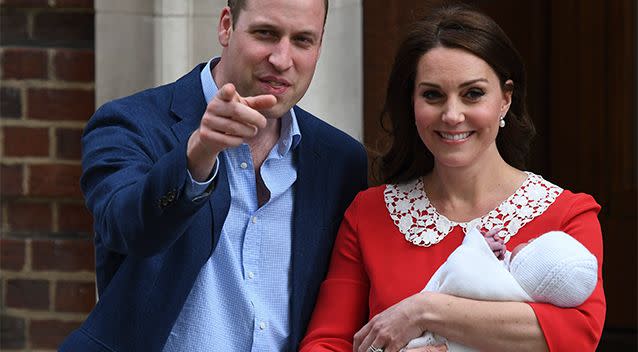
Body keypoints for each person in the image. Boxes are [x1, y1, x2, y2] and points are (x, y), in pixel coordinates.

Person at [60, 0, 368, 351]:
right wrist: (198, 155)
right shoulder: (130, 124)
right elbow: (127, 227)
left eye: (302, 40)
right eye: (266, 33)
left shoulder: (341, 161)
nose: (282, 59)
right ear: (226, 26)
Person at [300, 4, 605, 352]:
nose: (452, 114)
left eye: (473, 93)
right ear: (412, 102)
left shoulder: (568, 214)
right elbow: (324, 344)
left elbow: (579, 335)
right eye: (432, 95)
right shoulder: (369, 213)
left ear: (505, 99)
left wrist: (423, 310)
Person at [404, 228, 599, 351]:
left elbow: (458, 273)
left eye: (535, 244)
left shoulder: (499, 286)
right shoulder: (526, 298)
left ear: (527, 267)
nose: (531, 240)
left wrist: (478, 247)